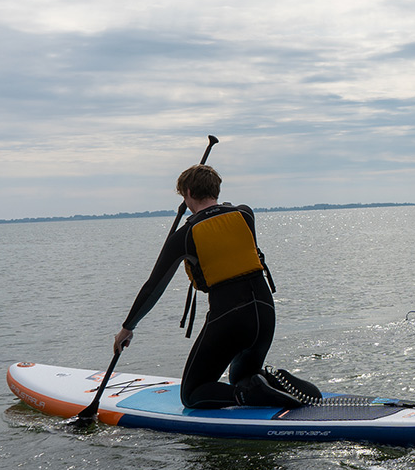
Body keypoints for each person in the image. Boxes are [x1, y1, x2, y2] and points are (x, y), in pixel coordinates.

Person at [112, 164, 319, 409]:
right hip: (264, 312)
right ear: (216, 190)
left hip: (230, 316)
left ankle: (250, 394)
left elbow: (153, 288)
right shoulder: (245, 214)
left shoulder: (185, 236)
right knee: (242, 377)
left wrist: (128, 327)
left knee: (192, 394)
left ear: (188, 193)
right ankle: (272, 380)